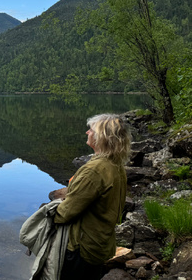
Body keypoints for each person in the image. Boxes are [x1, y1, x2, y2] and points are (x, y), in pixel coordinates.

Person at [54, 113, 131, 280]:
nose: (87, 132)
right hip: (101, 243)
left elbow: (65, 214)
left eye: (91, 130)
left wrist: (48, 214)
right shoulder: (116, 163)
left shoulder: (94, 170)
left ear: (103, 137)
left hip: (82, 248)